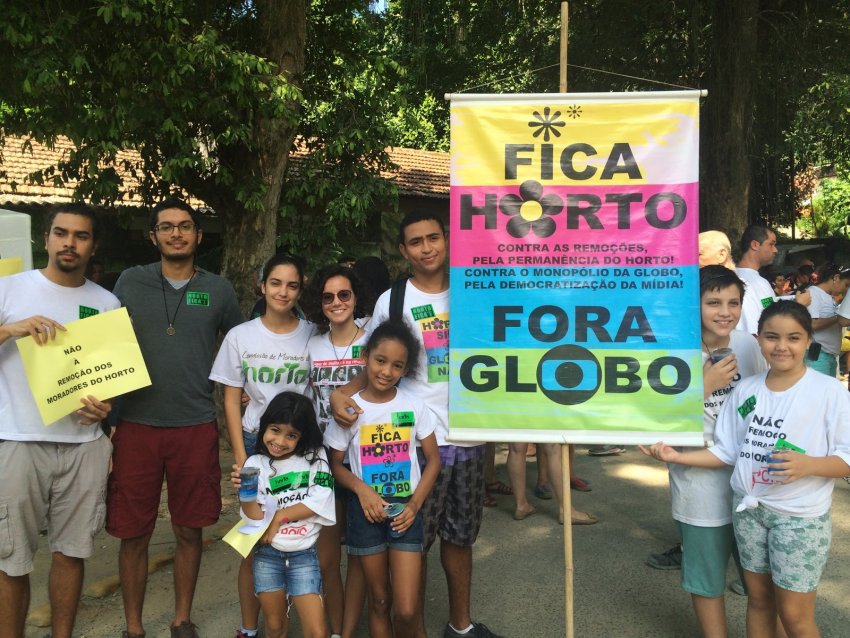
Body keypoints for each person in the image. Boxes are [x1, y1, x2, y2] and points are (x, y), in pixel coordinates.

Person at [332, 210, 502, 638]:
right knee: (412, 541)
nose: (426, 248)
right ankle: (412, 628)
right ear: (403, 250)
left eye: (434, 238)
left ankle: (459, 626)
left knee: (460, 538)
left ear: (446, 241)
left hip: (468, 434)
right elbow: (376, 361)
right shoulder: (391, 301)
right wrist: (343, 393)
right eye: (416, 241)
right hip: (412, 441)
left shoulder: (475, 290)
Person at [641, 300, 850, 638]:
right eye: (771, 337)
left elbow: (847, 456)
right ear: (758, 339)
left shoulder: (828, 392)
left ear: (809, 340)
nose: (781, 346)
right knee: (759, 600)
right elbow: (726, 450)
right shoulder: (746, 389)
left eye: (793, 338)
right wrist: (676, 457)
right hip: (749, 512)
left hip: (799, 517)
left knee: (795, 616)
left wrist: (809, 465)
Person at [107, 197, 244, 638]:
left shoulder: (219, 290)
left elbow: (242, 346)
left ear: (199, 235)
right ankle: (133, 626)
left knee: (190, 529)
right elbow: (102, 346)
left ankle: (182, 618)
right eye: (166, 227)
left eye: (185, 226)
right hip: (135, 425)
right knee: (134, 533)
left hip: (195, 424)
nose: (176, 234)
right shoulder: (129, 282)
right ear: (154, 236)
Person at [0, 203, 118, 638]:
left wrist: (103, 408)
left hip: (84, 445)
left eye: (81, 236)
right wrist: (12, 329)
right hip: (18, 441)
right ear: (45, 239)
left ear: (92, 246)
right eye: (61, 233)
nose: (70, 243)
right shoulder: (9, 290)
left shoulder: (105, 302)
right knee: (11, 557)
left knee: (72, 552)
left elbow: (109, 375)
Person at [653, 265, 767, 637]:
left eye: (733, 302)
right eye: (713, 301)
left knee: (761, 580)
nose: (725, 311)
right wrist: (703, 385)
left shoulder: (749, 344)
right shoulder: (671, 349)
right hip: (699, 484)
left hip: (753, 483)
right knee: (706, 578)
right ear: (694, 304)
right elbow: (654, 419)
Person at [209, 253, 315, 638]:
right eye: (275, 283)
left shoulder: (312, 332)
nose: (283, 292)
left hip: (303, 447)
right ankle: (248, 627)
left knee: (299, 532)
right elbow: (230, 399)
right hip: (257, 444)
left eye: (292, 285)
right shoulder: (240, 336)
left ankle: (297, 617)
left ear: (301, 290)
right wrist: (242, 457)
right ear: (262, 284)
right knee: (254, 538)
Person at [326, 320, 441, 638]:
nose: (386, 371)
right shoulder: (350, 410)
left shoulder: (415, 407)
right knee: (378, 601)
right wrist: (362, 491)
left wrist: (415, 506)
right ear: (366, 357)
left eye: (397, 365)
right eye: (380, 360)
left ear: (405, 370)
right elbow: (334, 465)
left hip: (406, 512)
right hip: (365, 513)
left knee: (405, 608)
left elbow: (433, 460)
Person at [303, 264, 371, 638]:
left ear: (355, 297)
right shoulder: (311, 343)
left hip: (366, 457)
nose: (336, 302)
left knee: (361, 555)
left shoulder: (371, 339)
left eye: (344, 294)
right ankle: (333, 632)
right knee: (328, 559)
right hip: (322, 457)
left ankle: (349, 630)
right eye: (328, 296)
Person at [236, 391, 336, 638]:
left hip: (304, 555)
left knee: (317, 631)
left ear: (302, 437)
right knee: (275, 626)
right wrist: (245, 494)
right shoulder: (255, 463)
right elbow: (255, 520)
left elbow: (319, 501)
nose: (280, 441)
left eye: (291, 435)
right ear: (264, 427)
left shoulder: (316, 459)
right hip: (267, 556)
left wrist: (280, 516)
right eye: (275, 430)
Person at [806, 263, 850, 378]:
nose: (845, 290)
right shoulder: (814, 293)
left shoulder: (828, 297)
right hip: (818, 355)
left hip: (829, 355)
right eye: (846, 285)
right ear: (835, 278)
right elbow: (811, 324)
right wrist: (838, 318)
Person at [735, 224, 778, 335]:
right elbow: (752, 327)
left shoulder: (762, 282)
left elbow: (769, 309)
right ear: (755, 245)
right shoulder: (738, 281)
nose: (775, 250)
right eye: (771, 244)